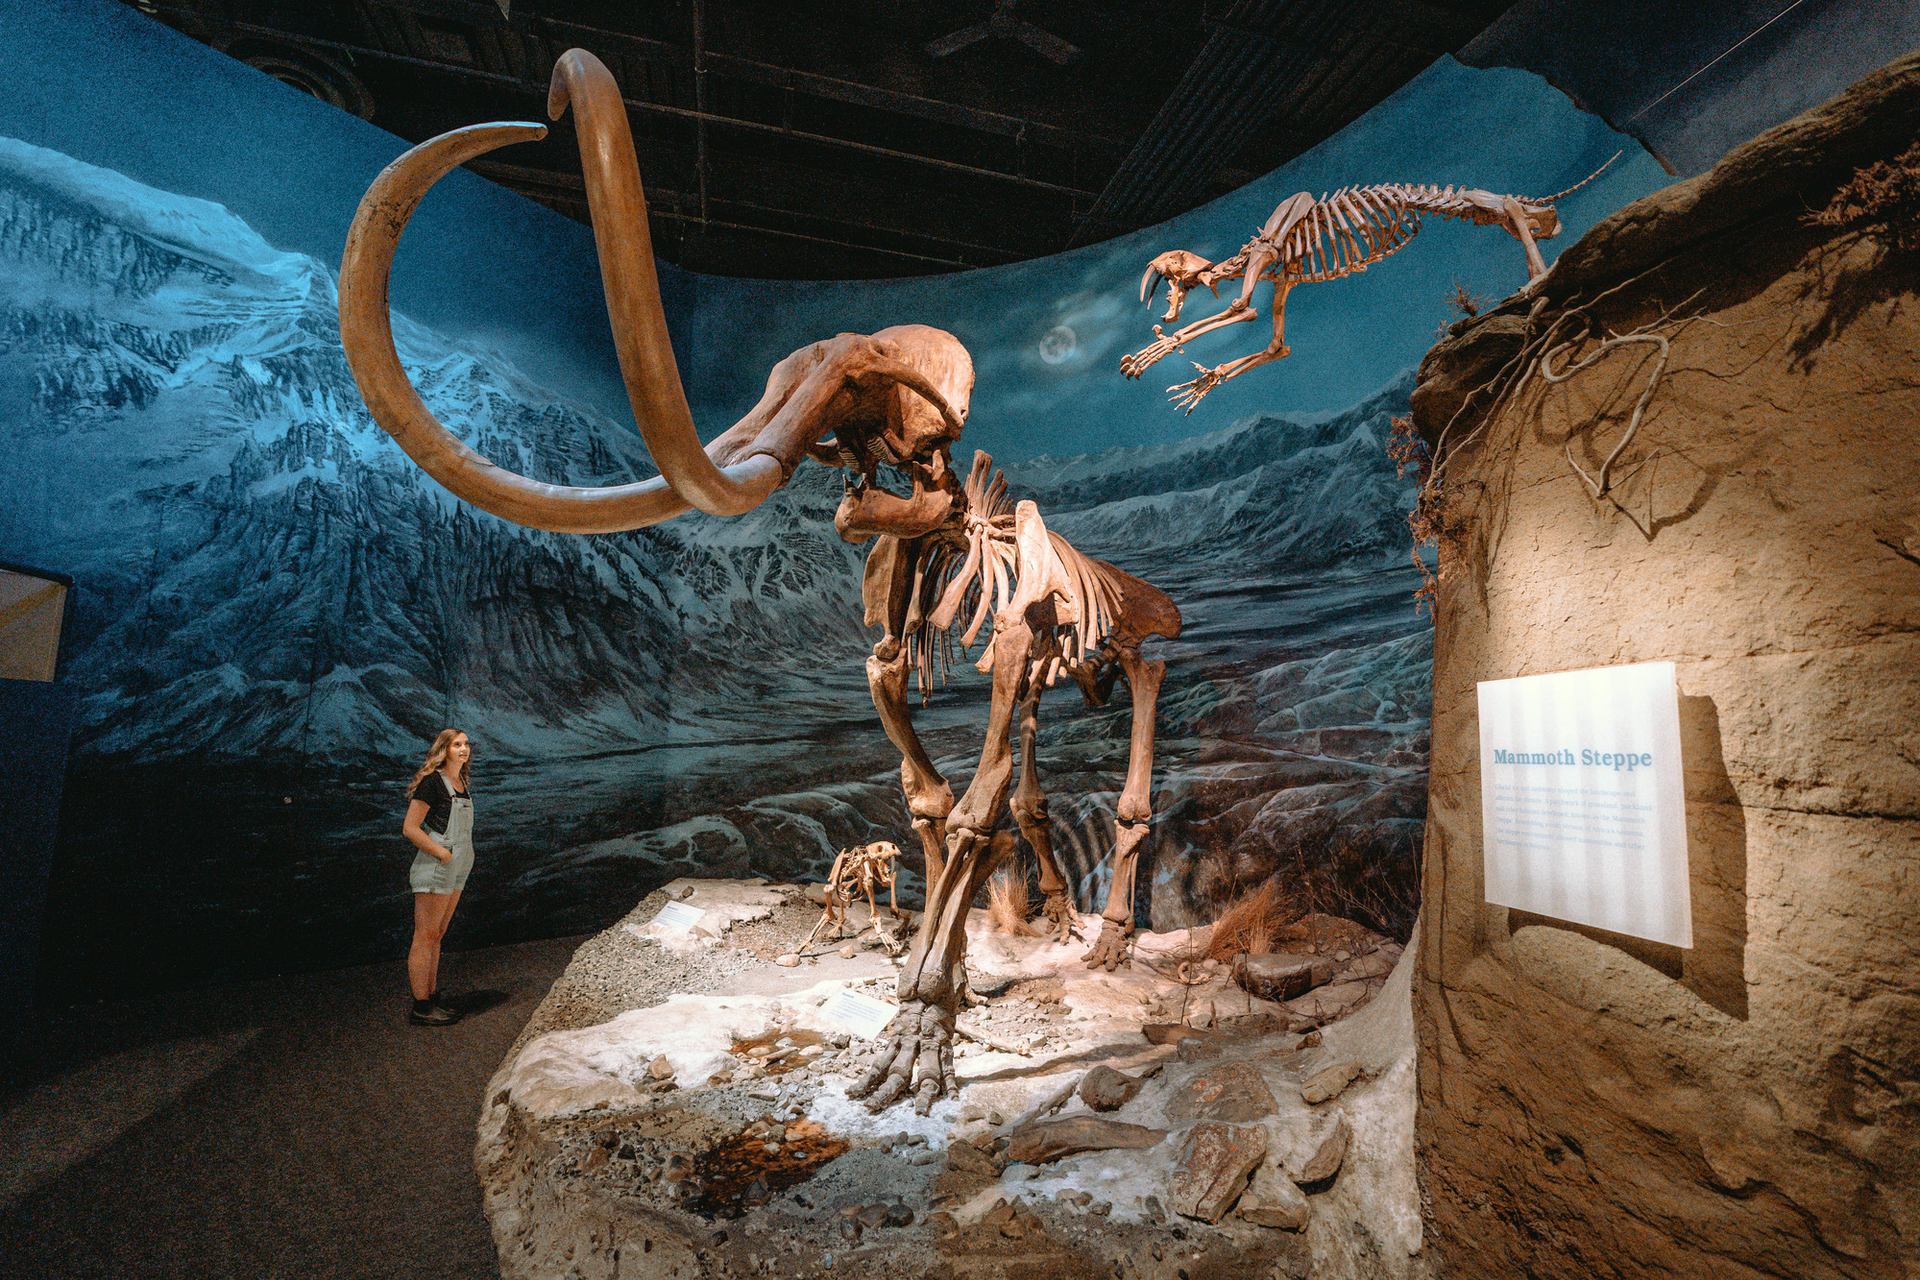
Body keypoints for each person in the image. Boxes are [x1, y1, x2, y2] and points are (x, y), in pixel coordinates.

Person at [401, 728, 474, 1026]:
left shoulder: (461, 782)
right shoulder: (433, 783)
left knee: (437, 934)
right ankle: (421, 1005)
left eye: (466, 744)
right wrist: (442, 854)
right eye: (456, 744)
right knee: (425, 935)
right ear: (443, 749)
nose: (463, 749)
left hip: (459, 863)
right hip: (437, 864)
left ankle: (430, 995)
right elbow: (411, 827)